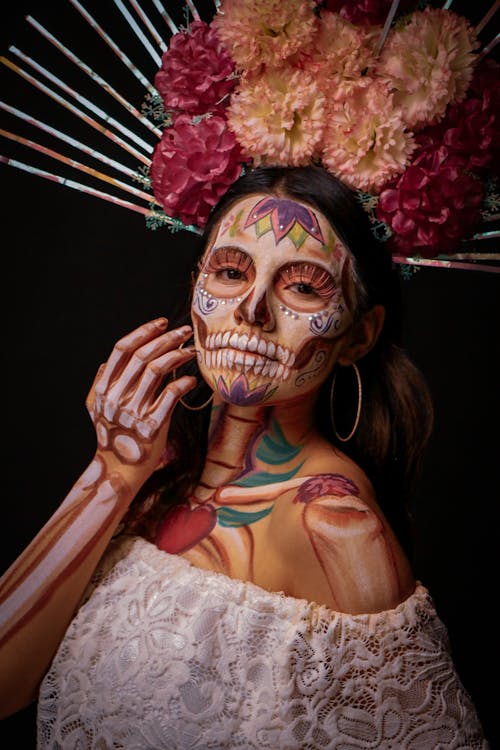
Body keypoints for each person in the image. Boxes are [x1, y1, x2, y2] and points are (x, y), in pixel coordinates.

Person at [0, 165, 488, 748]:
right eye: (230, 272)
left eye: (303, 287)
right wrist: (111, 476)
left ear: (359, 335)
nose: (253, 308)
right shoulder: (160, 477)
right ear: (196, 287)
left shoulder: (337, 527)